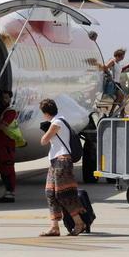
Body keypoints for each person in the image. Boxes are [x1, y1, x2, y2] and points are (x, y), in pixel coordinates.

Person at [38, 99, 85, 237]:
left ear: (46, 113)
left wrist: (46, 129)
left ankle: (79, 222)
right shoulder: (59, 120)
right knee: (50, 193)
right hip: (55, 161)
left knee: (63, 193)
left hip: (62, 161)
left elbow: (43, 140)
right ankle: (54, 227)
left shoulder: (57, 123)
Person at [0, 90, 18, 203]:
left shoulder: (10, 111)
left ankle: (10, 193)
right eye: (3, 98)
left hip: (7, 144)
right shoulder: (2, 111)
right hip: (1, 144)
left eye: (7, 98)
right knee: (3, 168)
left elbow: (3, 126)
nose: (4, 100)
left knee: (8, 168)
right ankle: (8, 192)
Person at [102, 48, 129, 116]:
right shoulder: (113, 61)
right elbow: (105, 67)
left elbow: (120, 70)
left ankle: (121, 112)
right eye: (122, 56)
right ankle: (112, 111)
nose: (123, 58)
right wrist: (108, 74)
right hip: (114, 83)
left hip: (117, 82)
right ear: (118, 56)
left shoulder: (118, 63)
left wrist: (127, 67)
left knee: (121, 98)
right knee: (120, 96)